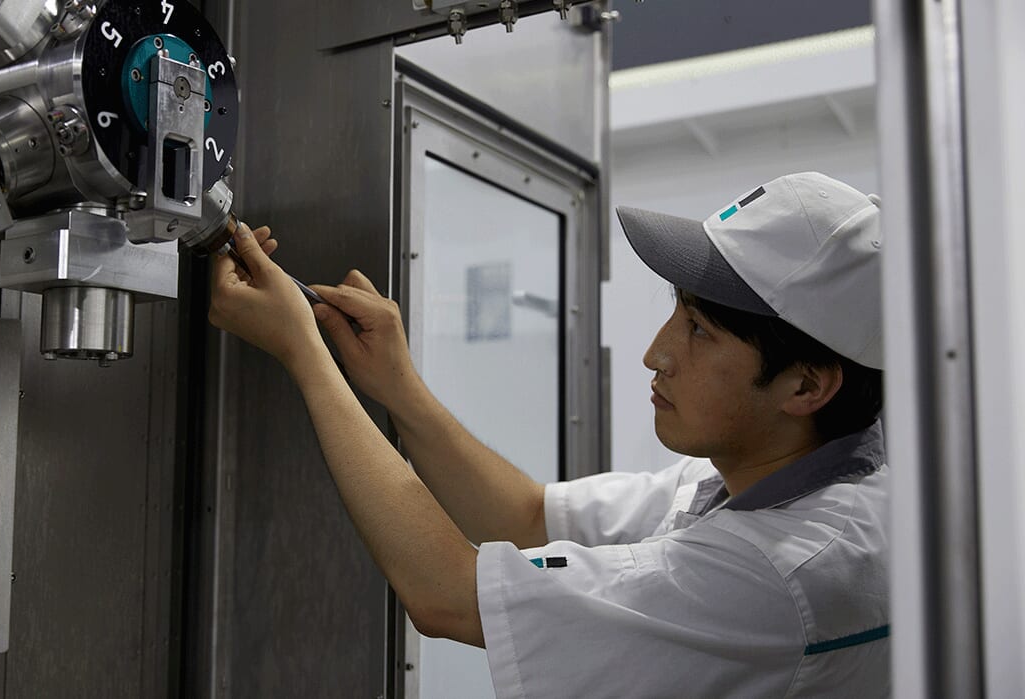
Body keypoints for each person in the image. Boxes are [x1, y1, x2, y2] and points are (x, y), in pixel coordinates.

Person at [209, 172, 888, 698]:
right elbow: (530, 516)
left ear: (806, 385)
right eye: (675, 313)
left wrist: (305, 352)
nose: (657, 352)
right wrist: (396, 386)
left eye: (701, 332)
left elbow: (446, 593)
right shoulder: (755, 479)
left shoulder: (788, 572)